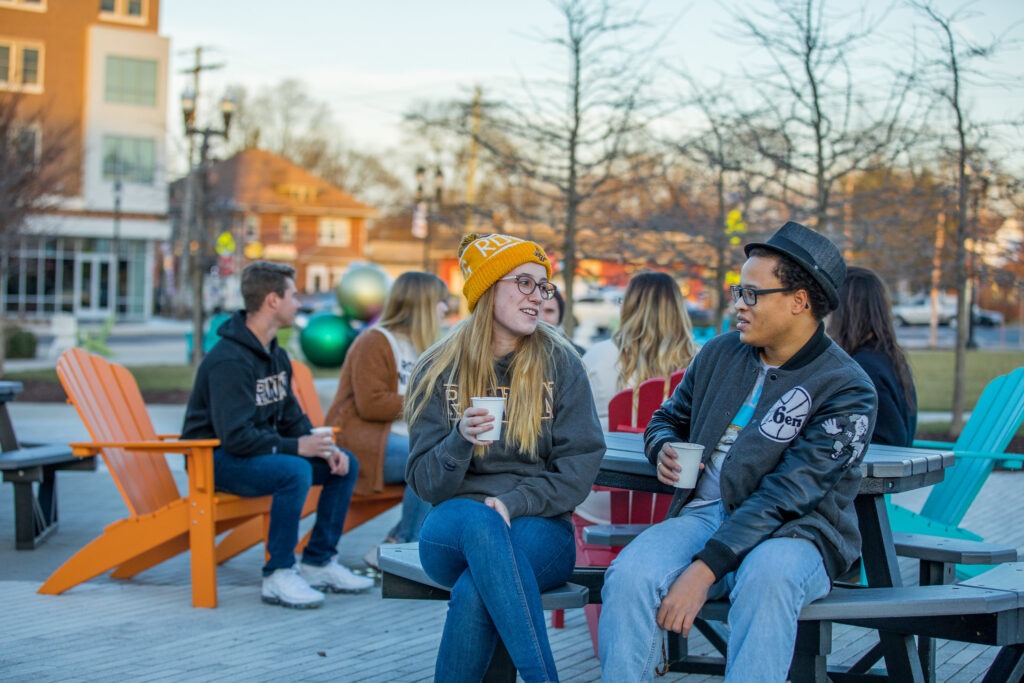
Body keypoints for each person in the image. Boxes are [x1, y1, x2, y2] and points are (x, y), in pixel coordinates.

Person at [598, 221, 878, 682]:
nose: (738, 306)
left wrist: (704, 569)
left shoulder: (847, 388)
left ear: (798, 301)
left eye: (751, 294)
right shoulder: (721, 353)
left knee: (768, 578)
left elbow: (789, 495)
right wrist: (662, 446)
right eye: (737, 291)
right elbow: (667, 417)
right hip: (704, 513)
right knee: (630, 576)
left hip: (798, 532)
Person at [404, 233, 605, 683]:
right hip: (452, 527)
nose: (538, 297)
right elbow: (424, 483)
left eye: (544, 285)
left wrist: (515, 502)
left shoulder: (561, 363)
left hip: (541, 528)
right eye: (525, 283)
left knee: (478, 588)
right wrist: (459, 440)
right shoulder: (438, 368)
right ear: (488, 288)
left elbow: (579, 467)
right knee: (481, 524)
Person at [181, 261, 373, 610]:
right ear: (272, 300)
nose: (298, 304)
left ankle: (317, 562)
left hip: (253, 454)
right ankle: (278, 574)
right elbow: (235, 436)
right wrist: (298, 448)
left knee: (343, 465)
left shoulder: (275, 356)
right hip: (214, 461)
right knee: (294, 470)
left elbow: (289, 417)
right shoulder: (229, 360)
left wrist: (322, 448)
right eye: (293, 296)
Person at [324, 271, 451, 567]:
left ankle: (395, 547)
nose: (446, 308)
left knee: (450, 459)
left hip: (401, 442)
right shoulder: (375, 341)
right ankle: (405, 549)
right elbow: (371, 404)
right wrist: (429, 404)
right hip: (360, 443)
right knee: (431, 463)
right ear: (423, 304)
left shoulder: (423, 348)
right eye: (442, 301)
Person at [582, 271, 700, 429]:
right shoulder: (700, 360)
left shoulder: (597, 355)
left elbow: (577, 420)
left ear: (628, 307)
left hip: (608, 450)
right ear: (679, 309)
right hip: (672, 451)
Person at [827, 266, 918, 446]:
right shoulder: (887, 357)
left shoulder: (864, 368)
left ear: (844, 312)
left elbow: (891, 440)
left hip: (878, 470)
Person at [539, 288, 585, 354]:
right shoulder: (519, 351)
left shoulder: (577, 354)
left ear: (560, 316)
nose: (541, 318)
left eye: (549, 311)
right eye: (537, 310)